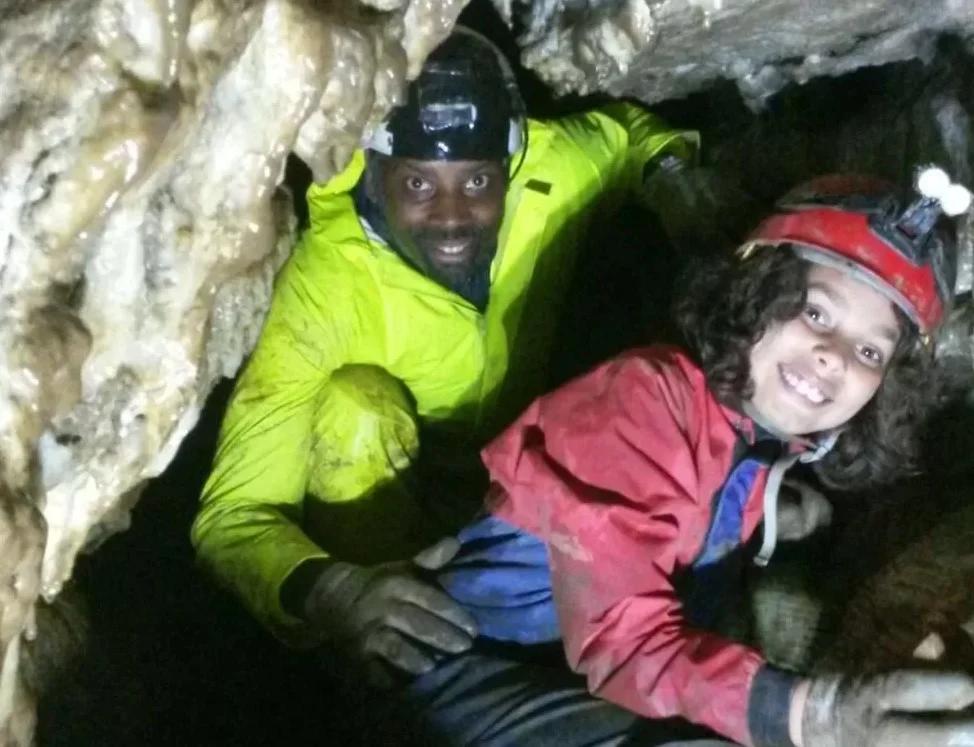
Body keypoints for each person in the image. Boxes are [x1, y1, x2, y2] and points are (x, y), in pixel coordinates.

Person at [191, 24, 698, 685]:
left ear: (510, 164)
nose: (453, 215)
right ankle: (392, 658)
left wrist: (675, 178)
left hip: (515, 473)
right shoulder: (326, 289)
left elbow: (628, 136)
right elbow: (231, 517)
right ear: (375, 172)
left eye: (478, 180)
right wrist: (338, 592)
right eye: (419, 185)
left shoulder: (550, 175)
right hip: (389, 505)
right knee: (355, 407)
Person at [433, 167, 974, 746]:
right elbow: (625, 645)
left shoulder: (761, 441)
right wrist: (814, 716)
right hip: (469, 660)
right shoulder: (640, 401)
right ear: (758, 293)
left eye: (870, 351)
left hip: (567, 675)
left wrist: (773, 514)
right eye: (816, 313)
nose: (834, 356)